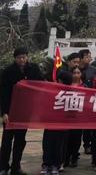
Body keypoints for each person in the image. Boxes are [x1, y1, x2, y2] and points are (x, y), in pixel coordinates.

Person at [0, 46, 43, 175]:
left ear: (27, 57)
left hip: (25, 111)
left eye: (24, 57)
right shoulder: (8, 71)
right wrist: (4, 112)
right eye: (19, 58)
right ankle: (3, 167)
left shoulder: (33, 69)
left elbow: (42, 84)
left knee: (20, 140)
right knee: (7, 140)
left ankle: (16, 167)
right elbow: (3, 94)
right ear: (15, 58)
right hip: (10, 111)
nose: (22, 60)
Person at [41, 71, 72, 175]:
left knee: (57, 147)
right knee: (49, 146)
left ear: (60, 80)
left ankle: (55, 165)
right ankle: (47, 165)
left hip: (61, 126)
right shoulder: (52, 91)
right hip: (51, 125)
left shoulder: (72, 93)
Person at [64, 67, 85, 168]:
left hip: (79, 116)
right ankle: (66, 157)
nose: (76, 74)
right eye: (74, 72)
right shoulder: (66, 85)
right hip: (68, 116)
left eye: (78, 72)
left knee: (76, 138)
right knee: (67, 138)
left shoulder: (84, 86)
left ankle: (74, 157)